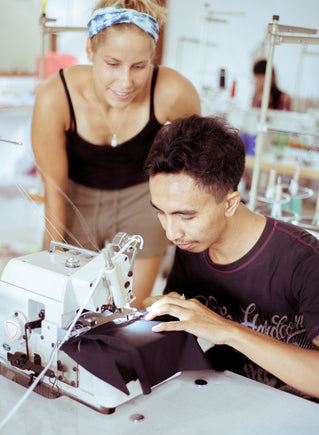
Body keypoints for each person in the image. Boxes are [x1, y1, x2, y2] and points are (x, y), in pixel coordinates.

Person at [31, 0, 201, 309]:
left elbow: (196, 172)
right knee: (70, 305)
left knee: (129, 310)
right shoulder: (55, 96)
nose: (126, 82)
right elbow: (54, 192)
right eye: (112, 64)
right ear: (90, 50)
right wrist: (51, 273)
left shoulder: (173, 92)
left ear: (152, 57)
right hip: (74, 196)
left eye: (139, 66)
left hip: (142, 197)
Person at [143, 114, 319, 402]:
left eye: (185, 215)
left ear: (230, 204)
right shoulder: (192, 246)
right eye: (160, 212)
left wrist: (228, 331)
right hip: (223, 403)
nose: (172, 232)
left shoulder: (304, 261)